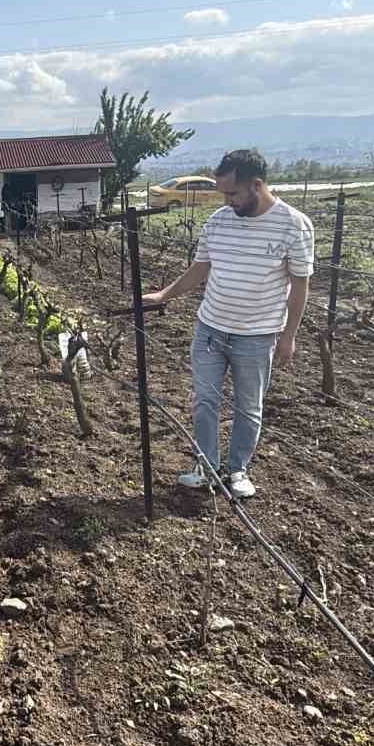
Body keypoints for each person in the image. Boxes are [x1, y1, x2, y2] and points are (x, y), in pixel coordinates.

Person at [142, 149, 314, 498]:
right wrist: (165, 295)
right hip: (210, 329)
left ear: (257, 185)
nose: (228, 200)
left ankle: (237, 471)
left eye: (233, 193)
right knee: (204, 401)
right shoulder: (219, 221)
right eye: (224, 194)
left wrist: (289, 336)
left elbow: (300, 284)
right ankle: (205, 468)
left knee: (248, 407)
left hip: (257, 336)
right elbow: (200, 268)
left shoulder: (294, 225)